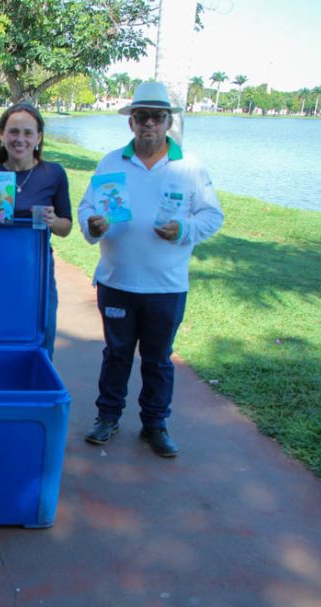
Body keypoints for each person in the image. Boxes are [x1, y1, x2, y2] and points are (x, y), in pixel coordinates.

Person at [78, 81, 224, 458]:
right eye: (141, 117)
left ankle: (155, 425)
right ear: (131, 123)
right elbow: (86, 207)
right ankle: (107, 417)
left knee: (159, 360)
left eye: (157, 118)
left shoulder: (188, 167)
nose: (149, 124)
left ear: (167, 122)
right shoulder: (111, 162)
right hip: (117, 281)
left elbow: (212, 215)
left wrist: (184, 231)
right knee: (116, 354)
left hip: (166, 286)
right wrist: (92, 226)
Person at [0, 102, 72, 356]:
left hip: (37, 269)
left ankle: (37, 391)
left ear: (39, 137)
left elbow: (66, 227)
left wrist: (53, 221)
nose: (20, 139)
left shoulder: (54, 174)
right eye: (13, 132)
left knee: (41, 339)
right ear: (1, 135)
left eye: (28, 133)